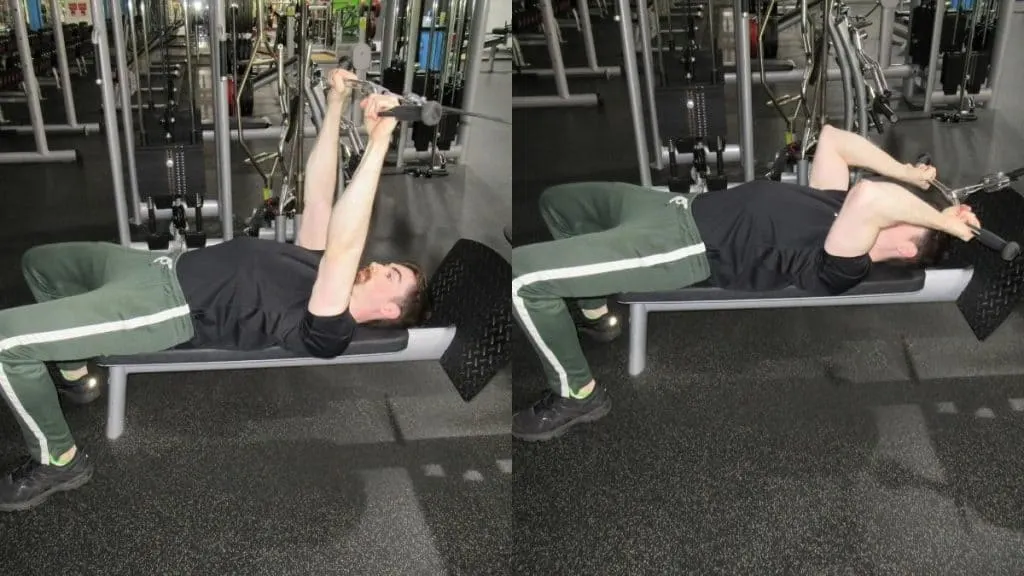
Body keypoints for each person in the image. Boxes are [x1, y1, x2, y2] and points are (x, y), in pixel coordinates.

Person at [0, 69, 429, 511]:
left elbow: (346, 244)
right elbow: (319, 197)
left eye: (390, 275)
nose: (377, 265)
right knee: (41, 264)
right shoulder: (318, 267)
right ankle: (73, 373)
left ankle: (58, 461)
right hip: (155, 265)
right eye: (387, 265)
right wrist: (337, 102)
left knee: (6, 341)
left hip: (165, 304)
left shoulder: (330, 326)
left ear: (391, 312)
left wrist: (379, 141)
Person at [512, 125, 983, 442]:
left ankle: (577, 394)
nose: (902, 205)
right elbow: (832, 139)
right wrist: (907, 173)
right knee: (559, 203)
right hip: (672, 207)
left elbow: (872, 197)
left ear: (905, 249)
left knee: (526, 278)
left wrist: (939, 221)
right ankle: (594, 312)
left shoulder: (844, 264)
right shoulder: (836, 205)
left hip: (688, 245)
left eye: (908, 219)